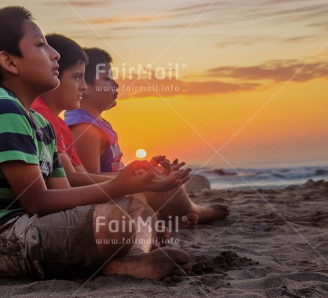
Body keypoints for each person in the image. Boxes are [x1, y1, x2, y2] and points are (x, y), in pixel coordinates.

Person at [0, 6, 191, 281]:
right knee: (113, 219)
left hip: (24, 226)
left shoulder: (42, 125)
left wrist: (132, 187)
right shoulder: (0, 108)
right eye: (40, 45)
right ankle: (125, 259)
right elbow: (37, 201)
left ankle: (130, 260)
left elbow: (65, 196)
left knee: (133, 208)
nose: (55, 54)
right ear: (10, 62)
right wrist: (117, 186)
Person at [65, 48, 231, 225]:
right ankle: (196, 212)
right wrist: (139, 178)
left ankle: (172, 217)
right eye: (107, 79)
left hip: (119, 186)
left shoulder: (96, 123)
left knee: (163, 175)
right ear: (86, 87)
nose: (116, 84)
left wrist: (146, 169)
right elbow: (89, 182)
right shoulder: (85, 130)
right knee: (164, 185)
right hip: (111, 195)